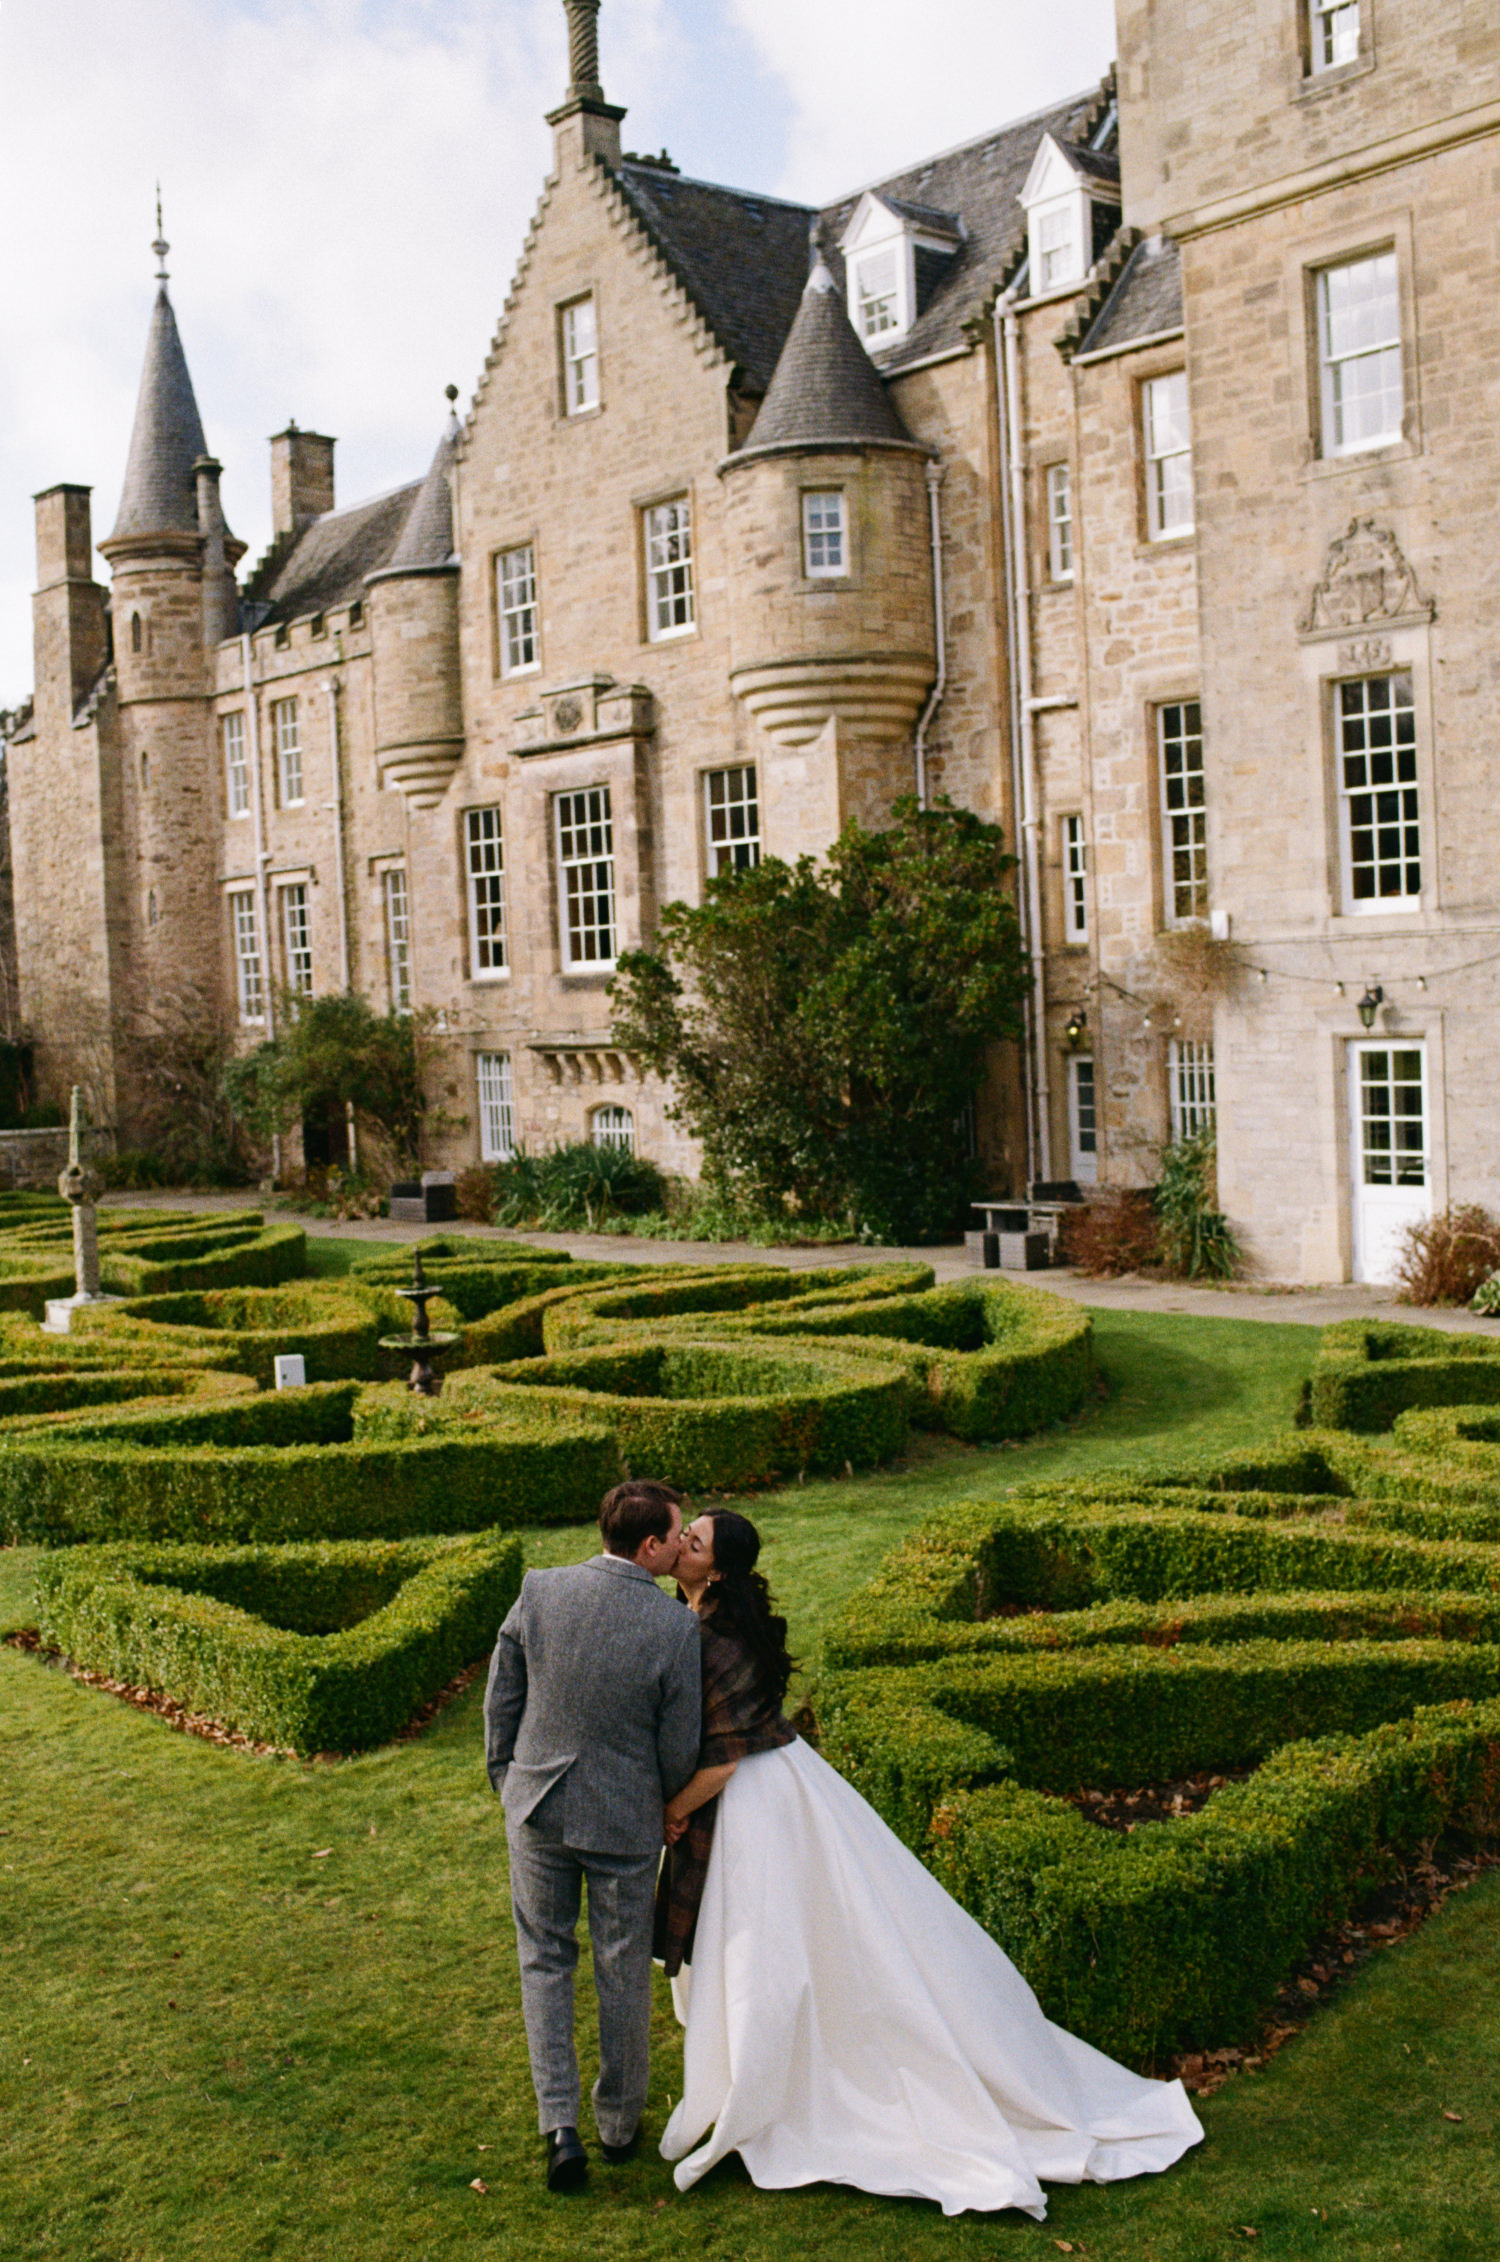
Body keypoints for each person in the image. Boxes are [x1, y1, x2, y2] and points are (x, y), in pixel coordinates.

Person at [656, 1508, 1204, 2219]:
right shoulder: (697, 1619)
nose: (680, 1548)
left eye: (692, 1544)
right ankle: (752, 2069)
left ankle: (776, 2084)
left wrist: (674, 1810)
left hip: (758, 1801)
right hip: (781, 1789)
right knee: (792, 1939)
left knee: (775, 1943)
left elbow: (728, 1758)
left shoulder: (720, 1639)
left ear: (719, 1569)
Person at [485, 1478, 702, 2194]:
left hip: (537, 1808)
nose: (680, 1546)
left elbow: (503, 1687)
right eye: (675, 1536)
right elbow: (680, 1744)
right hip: (624, 1820)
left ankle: (559, 2128)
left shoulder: (540, 1589)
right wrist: (667, 1805)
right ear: (648, 1546)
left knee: (543, 1958)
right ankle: (617, 2125)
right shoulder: (676, 1629)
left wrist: (506, 1773)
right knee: (620, 1965)